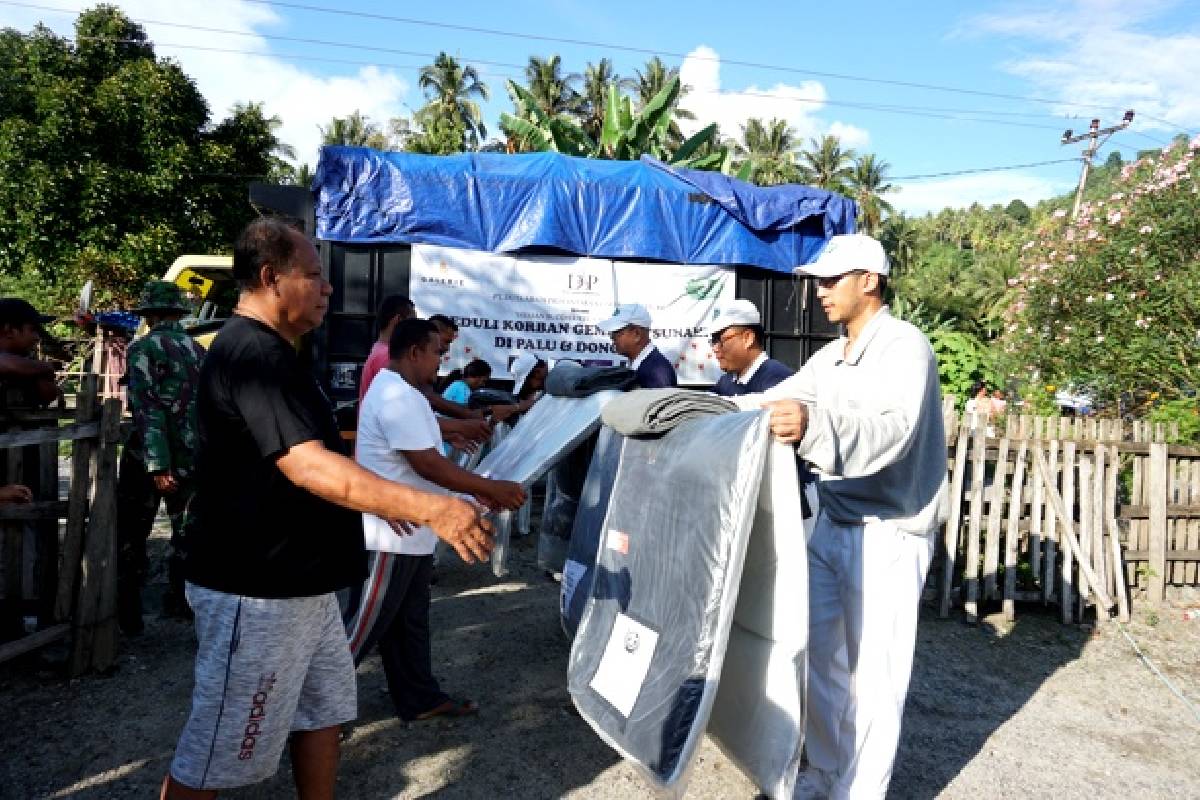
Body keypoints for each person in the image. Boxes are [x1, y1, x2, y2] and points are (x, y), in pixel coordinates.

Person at [162, 217, 493, 800]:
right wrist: (436, 508)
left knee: (323, 714)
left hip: (303, 585)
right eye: (314, 275)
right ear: (271, 278)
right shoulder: (252, 355)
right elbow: (306, 464)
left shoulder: (283, 356)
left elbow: (327, 458)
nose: (328, 288)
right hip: (257, 589)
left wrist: (375, 497)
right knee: (218, 750)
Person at [734, 233, 948, 800]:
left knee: (873, 681)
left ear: (869, 281)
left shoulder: (906, 347)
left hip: (888, 531)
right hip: (832, 522)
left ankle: (858, 792)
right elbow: (772, 398)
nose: (820, 292)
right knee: (821, 663)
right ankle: (824, 772)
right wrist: (698, 410)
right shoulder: (831, 356)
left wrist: (811, 425)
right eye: (818, 282)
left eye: (831, 281)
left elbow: (894, 432)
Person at [344, 319, 525, 721]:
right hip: (389, 536)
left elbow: (428, 454)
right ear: (414, 353)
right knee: (360, 629)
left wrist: (469, 491)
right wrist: (488, 489)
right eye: (437, 354)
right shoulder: (396, 395)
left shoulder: (404, 393)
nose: (440, 364)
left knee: (408, 625)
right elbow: (427, 464)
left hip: (413, 531)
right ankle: (310, 713)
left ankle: (420, 698)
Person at [115, 281, 206, 634]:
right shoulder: (199, 351)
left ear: (150, 315)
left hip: (150, 458)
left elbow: (148, 410)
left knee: (132, 533)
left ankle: (129, 616)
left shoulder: (143, 349)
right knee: (187, 534)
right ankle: (183, 603)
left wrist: (157, 464)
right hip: (193, 457)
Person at [705, 298, 794, 396]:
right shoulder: (725, 382)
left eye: (720, 340)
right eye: (713, 341)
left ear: (748, 338)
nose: (715, 348)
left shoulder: (778, 380)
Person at [596, 303, 676, 389]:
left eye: (617, 332)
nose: (612, 337)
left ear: (637, 334)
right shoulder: (641, 366)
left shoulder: (657, 373)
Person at [0, 298, 58, 409]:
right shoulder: (24, 366)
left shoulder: (26, 364)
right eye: (32, 330)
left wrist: (36, 370)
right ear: (9, 330)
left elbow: (50, 394)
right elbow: (3, 361)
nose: (37, 337)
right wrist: (45, 367)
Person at [358, 294, 415, 405]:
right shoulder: (387, 356)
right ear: (398, 320)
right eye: (412, 322)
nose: (414, 328)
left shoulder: (381, 350)